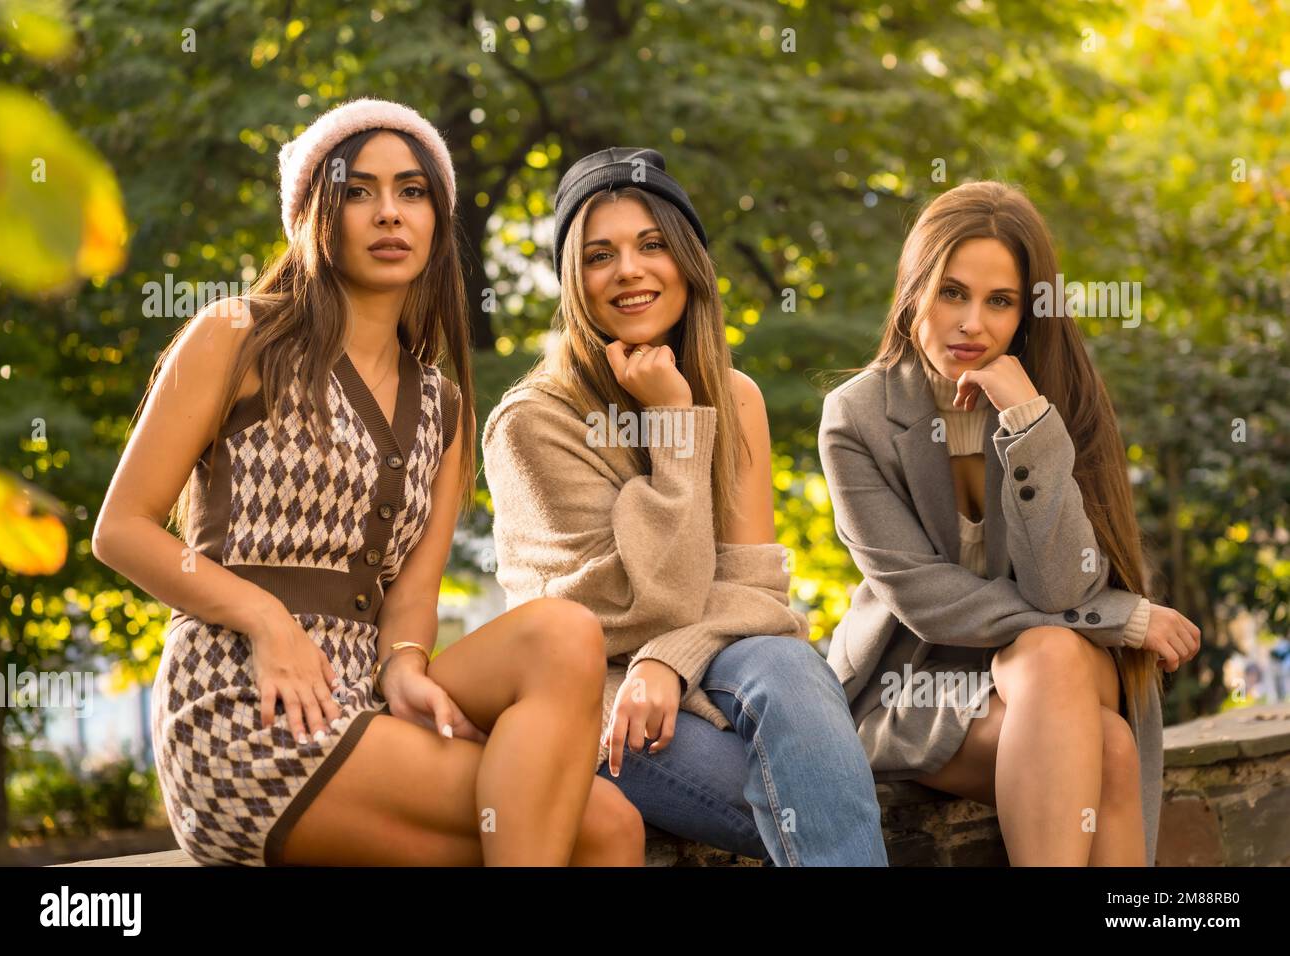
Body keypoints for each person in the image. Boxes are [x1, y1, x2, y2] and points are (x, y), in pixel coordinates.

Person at [93, 99, 643, 866]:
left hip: (361, 699)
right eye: (359, 191)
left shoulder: (443, 408)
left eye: (413, 192)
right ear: (318, 212)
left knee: (568, 647)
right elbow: (121, 529)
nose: (390, 213)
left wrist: (405, 665)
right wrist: (266, 619)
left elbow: (412, 598)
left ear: (436, 220)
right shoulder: (237, 337)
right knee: (595, 829)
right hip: (239, 708)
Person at [482, 147, 888, 866]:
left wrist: (669, 662)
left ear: (689, 262)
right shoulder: (532, 423)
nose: (629, 271)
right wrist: (673, 427)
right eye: (599, 255)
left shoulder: (736, 397)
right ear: (574, 282)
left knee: (790, 666)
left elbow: (755, 592)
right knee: (806, 795)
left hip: (709, 671)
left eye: (652, 245)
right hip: (599, 702)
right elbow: (634, 608)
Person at [819, 180, 1201, 865]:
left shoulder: (1059, 399)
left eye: (1000, 302)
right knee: (1108, 745)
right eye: (952, 293)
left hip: (1058, 677)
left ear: (1027, 312)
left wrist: (1028, 423)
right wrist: (1120, 617)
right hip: (919, 686)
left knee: (1052, 657)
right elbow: (925, 601)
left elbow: (1061, 586)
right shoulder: (857, 417)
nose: (974, 323)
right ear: (913, 293)